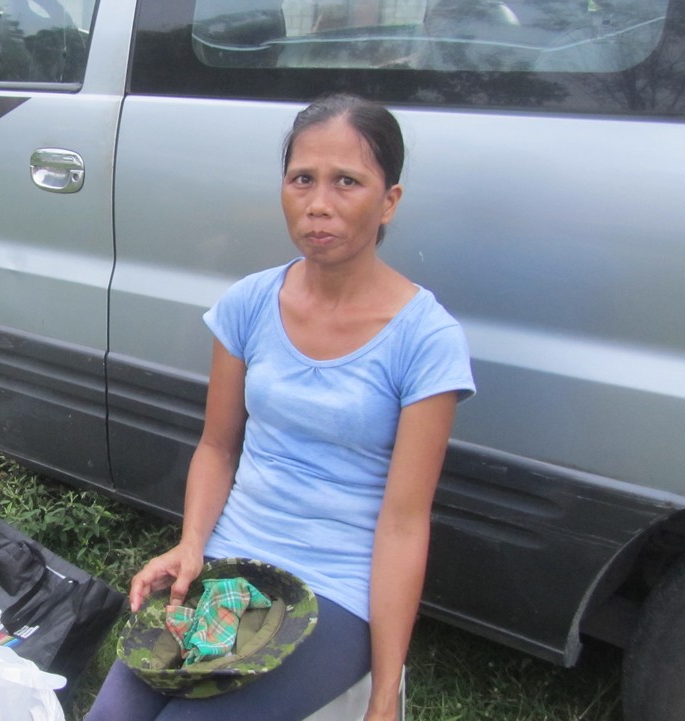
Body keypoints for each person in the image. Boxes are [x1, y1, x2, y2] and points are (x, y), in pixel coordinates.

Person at [87, 94, 475, 721]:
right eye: (302, 179)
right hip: (232, 565)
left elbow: (405, 524)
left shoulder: (425, 339)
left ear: (389, 201)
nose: (318, 203)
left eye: (347, 181)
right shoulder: (250, 303)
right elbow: (218, 447)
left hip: (336, 591)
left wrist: (384, 696)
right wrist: (192, 545)